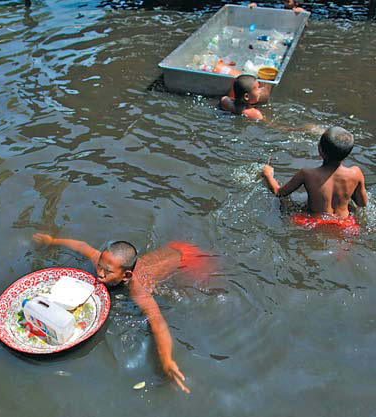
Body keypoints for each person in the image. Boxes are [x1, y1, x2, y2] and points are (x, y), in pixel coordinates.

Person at [32, 233, 216, 394]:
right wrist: (53, 240)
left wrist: (166, 360)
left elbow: (158, 324)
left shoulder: (138, 291)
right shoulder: (105, 262)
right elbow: (81, 246)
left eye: (107, 272)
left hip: (189, 259)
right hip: (173, 248)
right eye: (100, 267)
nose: (100, 274)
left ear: (126, 276)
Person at [261, 126, 367, 232]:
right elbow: (362, 203)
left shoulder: (307, 174)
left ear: (320, 149)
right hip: (345, 224)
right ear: (347, 154)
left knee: (283, 202)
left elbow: (278, 192)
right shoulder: (356, 173)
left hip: (314, 222)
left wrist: (268, 174)